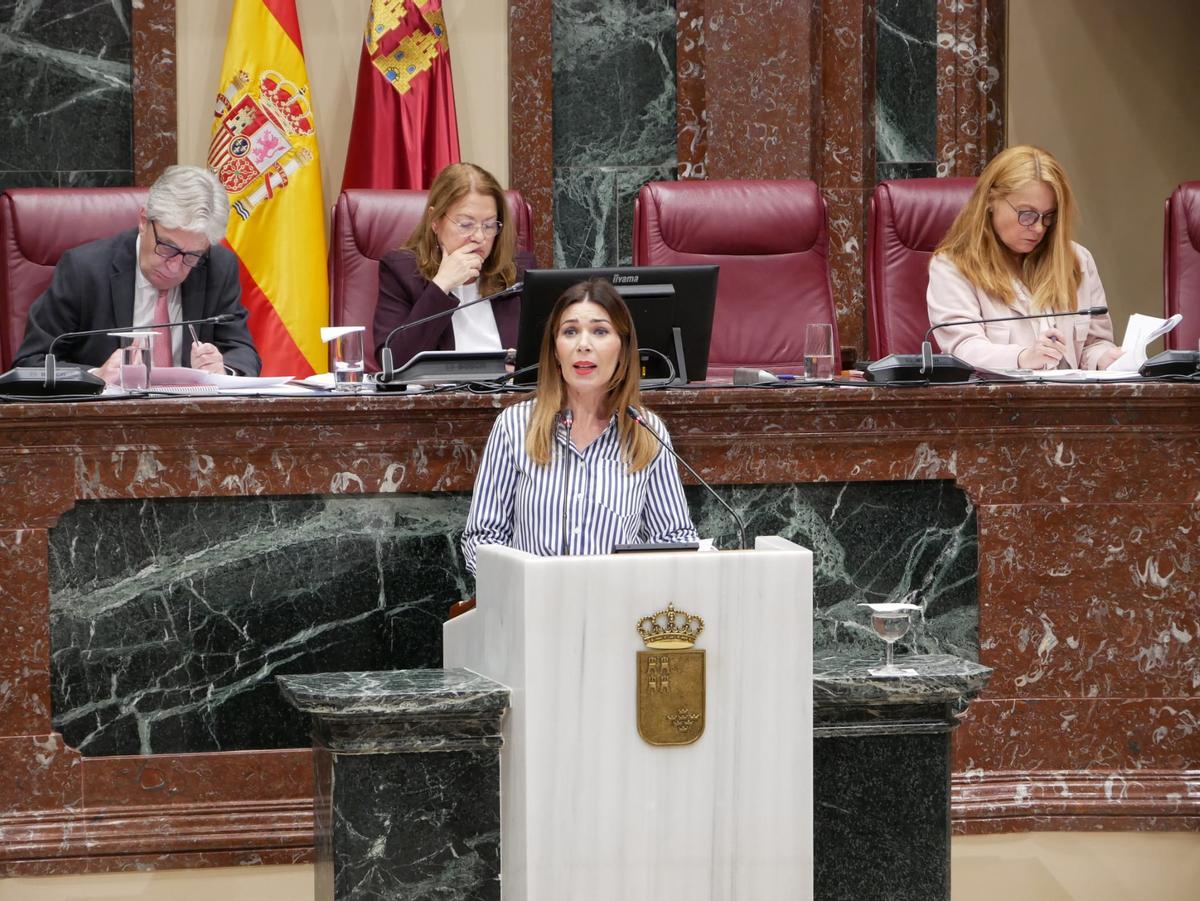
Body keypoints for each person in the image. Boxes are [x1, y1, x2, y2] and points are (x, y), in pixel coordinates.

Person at [461, 278, 697, 576]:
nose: (583, 344)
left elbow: (675, 539)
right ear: (556, 351)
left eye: (600, 331)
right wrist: (520, 591)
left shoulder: (646, 432)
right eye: (570, 331)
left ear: (623, 349)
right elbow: (483, 539)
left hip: (617, 611)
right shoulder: (514, 427)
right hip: (533, 611)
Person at [14, 165, 260, 380]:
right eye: (168, 248)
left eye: (192, 255)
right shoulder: (84, 270)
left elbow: (242, 352)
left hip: (190, 423)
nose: (174, 267)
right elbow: (30, 364)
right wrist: (96, 376)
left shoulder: (218, 266)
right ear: (144, 220)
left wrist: (223, 370)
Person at [926, 145, 1122, 371]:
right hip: (998, 403)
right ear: (990, 201)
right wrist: (1022, 358)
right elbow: (963, 348)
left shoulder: (1077, 259)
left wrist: (1104, 358)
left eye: (1048, 216)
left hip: (1071, 402)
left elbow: (1093, 344)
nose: (1039, 228)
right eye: (1026, 214)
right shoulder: (952, 267)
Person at [374, 162, 536, 368]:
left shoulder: (518, 273)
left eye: (489, 225)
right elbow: (393, 363)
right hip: (438, 399)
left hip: (510, 397)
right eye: (466, 225)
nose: (479, 237)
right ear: (435, 220)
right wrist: (442, 285)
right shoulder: (402, 272)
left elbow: (548, 356)